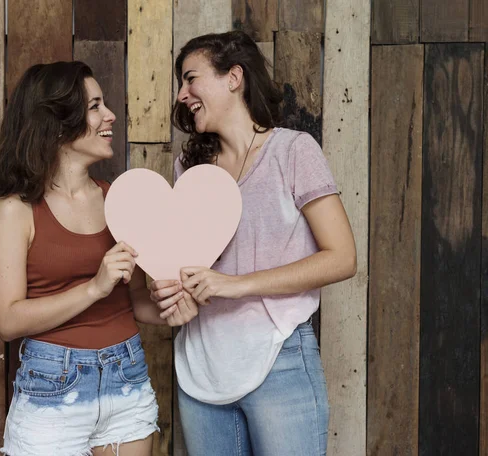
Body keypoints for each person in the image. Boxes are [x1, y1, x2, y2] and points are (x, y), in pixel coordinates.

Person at [150, 31, 357, 456]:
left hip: (278, 357)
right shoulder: (188, 169)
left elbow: (342, 258)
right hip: (201, 368)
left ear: (234, 77)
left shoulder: (293, 151)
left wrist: (235, 284)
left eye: (191, 79)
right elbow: (185, 267)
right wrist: (170, 291)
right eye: (180, 84)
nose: (182, 94)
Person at [0, 61, 197, 456]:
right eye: (95, 106)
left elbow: (134, 302)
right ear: (58, 123)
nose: (110, 115)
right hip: (52, 389)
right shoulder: (14, 210)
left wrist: (173, 306)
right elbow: (7, 320)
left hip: (126, 376)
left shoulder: (117, 197)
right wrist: (94, 287)